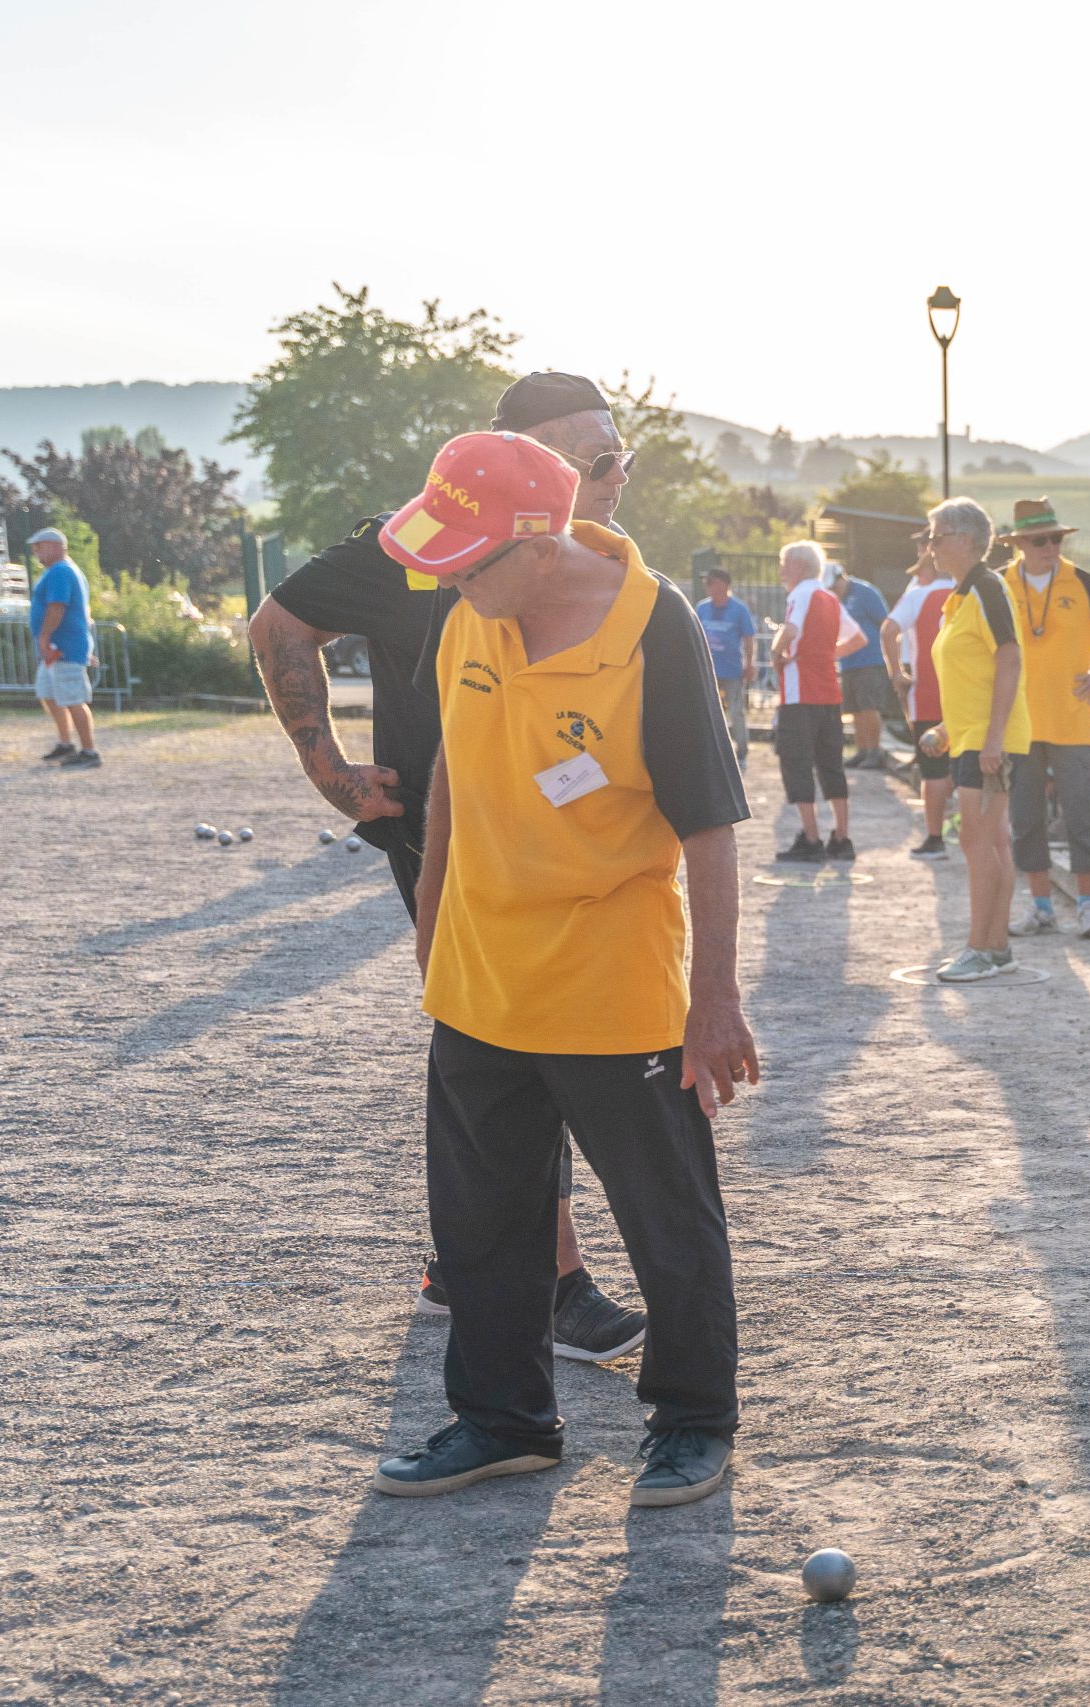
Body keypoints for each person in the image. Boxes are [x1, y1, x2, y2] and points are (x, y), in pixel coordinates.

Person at [380, 429, 754, 1509]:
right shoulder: (470, 615)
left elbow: (711, 827)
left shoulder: (653, 626)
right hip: (483, 973)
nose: (446, 577)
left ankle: (692, 1419)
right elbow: (453, 761)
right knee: (483, 1221)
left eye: (467, 558)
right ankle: (501, 1421)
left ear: (540, 545)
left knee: (664, 1218)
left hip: (614, 976)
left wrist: (715, 998)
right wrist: (433, 913)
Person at [247, 368, 650, 1359]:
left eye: (618, 456)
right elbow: (279, 624)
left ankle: (464, 1259)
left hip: (557, 842)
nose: (612, 477)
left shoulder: (593, 551)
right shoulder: (415, 543)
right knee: (519, 1045)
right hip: (454, 839)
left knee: (492, 1050)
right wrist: (329, 770)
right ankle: (548, 1283)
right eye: (590, 458)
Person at [998, 499, 1090, 942]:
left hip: (1072, 720)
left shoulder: (1080, 583)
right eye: (1040, 540)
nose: (1050, 547)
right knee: (1026, 818)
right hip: (1021, 721)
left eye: (1057, 538)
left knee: (1082, 814)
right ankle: (1042, 907)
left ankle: (1087, 907)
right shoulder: (1002, 585)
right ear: (1020, 543)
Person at [925, 497, 1030, 982]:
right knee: (991, 843)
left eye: (936, 537)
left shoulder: (987, 587)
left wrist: (991, 739)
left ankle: (980, 950)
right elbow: (977, 675)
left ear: (964, 540)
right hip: (974, 737)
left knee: (977, 840)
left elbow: (1009, 658)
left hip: (991, 743)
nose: (930, 547)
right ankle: (997, 948)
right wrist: (948, 729)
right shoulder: (962, 596)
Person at [770, 541, 864, 862]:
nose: (782, 571)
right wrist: (826, 655)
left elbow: (791, 631)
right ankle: (842, 836)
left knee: (796, 762)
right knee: (831, 764)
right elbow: (858, 638)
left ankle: (811, 838)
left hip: (800, 694)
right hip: (828, 692)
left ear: (797, 566)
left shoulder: (800, 594)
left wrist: (775, 653)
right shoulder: (830, 598)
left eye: (784, 564)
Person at [880, 539, 955, 859]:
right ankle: (967, 828)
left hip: (928, 694)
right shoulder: (967, 591)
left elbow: (887, 630)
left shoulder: (917, 596)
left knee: (933, 769)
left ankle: (936, 837)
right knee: (964, 766)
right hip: (965, 695)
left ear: (928, 569)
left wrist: (896, 672)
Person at [25, 529, 99, 769]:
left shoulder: (60, 571)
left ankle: (89, 751)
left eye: (39, 547)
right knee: (48, 693)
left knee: (72, 698)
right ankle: (66, 743)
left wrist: (44, 636)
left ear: (55, 546)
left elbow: (57, 607)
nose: (36, 552)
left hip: (63, 646)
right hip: (61, 645)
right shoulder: (63, 570)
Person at [826, 562, 896, 770]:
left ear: (842, 577)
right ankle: (863, 750)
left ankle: (874, 751)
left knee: (869, 707)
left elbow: (885, 623)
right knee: (855, 709)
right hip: (848, 662)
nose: (833, 590)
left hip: (870, 660)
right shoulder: (835, 598)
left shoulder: (866, 592)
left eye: (834, 586)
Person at [693, 567, 760, 764]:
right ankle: (713, 749)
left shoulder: (739, 609)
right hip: (708, 670)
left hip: (731, 670)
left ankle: (742, 751)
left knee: (737, 711)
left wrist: (749, 664)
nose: (706, 586)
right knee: (709, 711)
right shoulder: (701, 608)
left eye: (710, 582)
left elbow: (748, 638)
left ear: (722, 584)